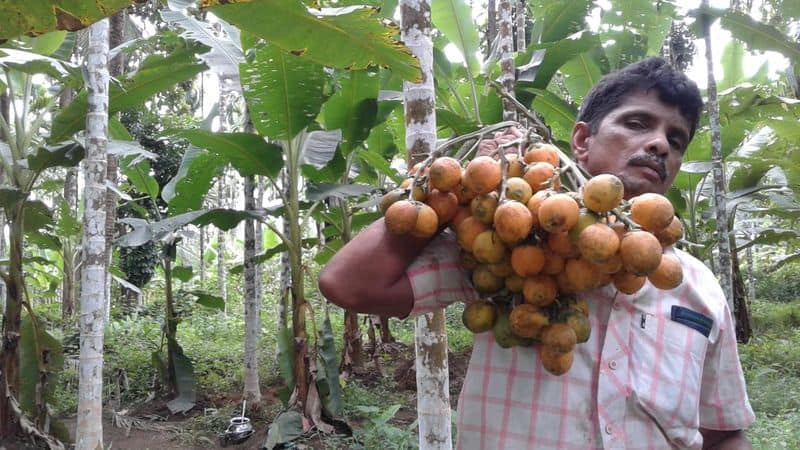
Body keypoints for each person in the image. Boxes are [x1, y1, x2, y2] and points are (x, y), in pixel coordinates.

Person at [319, 57, 755, 449]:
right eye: (638, 123)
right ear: (581, 141)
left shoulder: (697, 287)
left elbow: (723, 432)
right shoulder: (505, 243)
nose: (661, 144)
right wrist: (447, 188)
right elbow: (349, 285)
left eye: (676, 140)